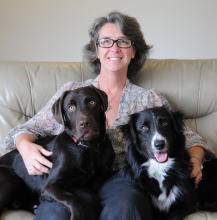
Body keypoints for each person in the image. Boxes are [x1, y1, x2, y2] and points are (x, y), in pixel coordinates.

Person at [3, 11, 211, 220]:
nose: (114, 48)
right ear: (96, 50)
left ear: (133, 51)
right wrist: (25, 147)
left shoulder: (149, 99)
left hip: (120, 178)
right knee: (55, 212)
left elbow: (191, 139)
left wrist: (195, 159)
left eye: (123, 41)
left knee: (127, 205)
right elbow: (26, 130)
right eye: (106, 41)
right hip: (72, 178)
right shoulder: (72, 93)